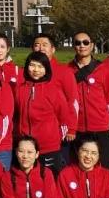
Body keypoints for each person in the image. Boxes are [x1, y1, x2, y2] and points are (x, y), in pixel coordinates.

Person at [16, 53, 74, 173]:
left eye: (40, 66)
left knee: (50, 178)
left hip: (49, 147)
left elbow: (64, 117)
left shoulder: (53, 90)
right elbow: (16, 116)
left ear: (46, 69)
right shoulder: (20, 89)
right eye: (32, 65)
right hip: (26, 147)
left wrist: (55, 139)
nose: (36, 70)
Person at [67, 33, 109, 169]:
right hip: (77, 128)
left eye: (85, 42)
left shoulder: (104, 70)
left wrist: (102, 117)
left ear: (92, 45)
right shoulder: (67, 70)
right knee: (77, 166)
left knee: (103, 167)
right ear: (73, 46)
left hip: (100, 127)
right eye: (77, 43)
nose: (82, 46)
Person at [31, 33, 78, 164]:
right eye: (37, 45)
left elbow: (73, 101)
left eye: (44, 45)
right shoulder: (28, 73)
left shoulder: (64, 72)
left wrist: (71, 128)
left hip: (58, 133)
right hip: (33, 135)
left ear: (53, 49)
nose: (40, 48)